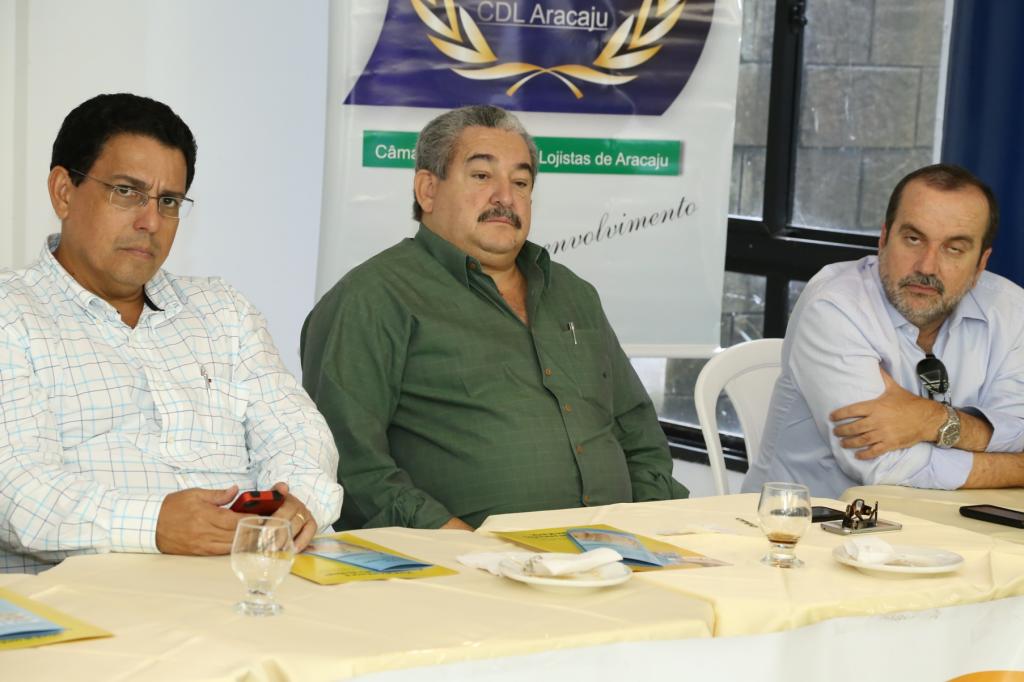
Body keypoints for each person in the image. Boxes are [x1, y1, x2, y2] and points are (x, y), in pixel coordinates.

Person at [0, 94, 342, 573]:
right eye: (126, 192)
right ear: (64, 191)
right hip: (88, 596)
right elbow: (16, 489)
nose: (151, 222)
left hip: (248, 580)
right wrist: (153, 525)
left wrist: (297, 500)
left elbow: (297, 432)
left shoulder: (223, 311)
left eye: (169, 202)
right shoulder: (12, 314)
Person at [301, 105, 687, 530]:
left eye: (520, 182)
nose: (505, 197)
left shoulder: (573, 294)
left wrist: (649, 528)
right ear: (427, 190)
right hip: (462, 561)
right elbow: (348, 464)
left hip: (614, 551)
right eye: (482, 176)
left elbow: (638, 432)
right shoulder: (372, 299)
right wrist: (453, 539)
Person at [744, 164, 1024, 498]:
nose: (927, 266)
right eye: (913, 239)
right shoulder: (834, 306)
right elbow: (879, 464)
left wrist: (932, 420)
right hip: (806, 521)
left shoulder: (1011, 309)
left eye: (954, 249)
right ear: (883, 239)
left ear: (981, 264)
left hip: (942, 521)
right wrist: (1013, 465)